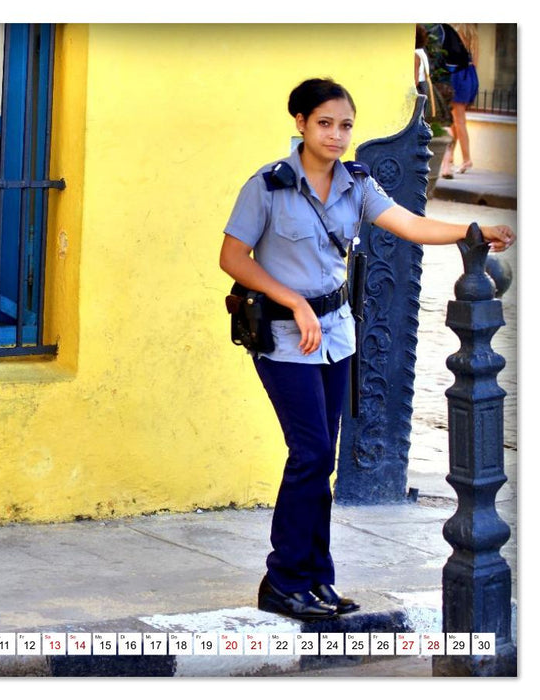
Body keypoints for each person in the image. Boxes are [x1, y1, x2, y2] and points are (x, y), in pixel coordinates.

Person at [219, 78, 514, 621]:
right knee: (309, 455)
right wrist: (294, 301)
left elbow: (409, 223)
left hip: (335, 337)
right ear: (301, 123)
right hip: (284, 337)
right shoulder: (267, 185)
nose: (336, 135)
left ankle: (316, 579)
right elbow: (233, 258)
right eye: (325, 123)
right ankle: (282, 580)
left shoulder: (358, 183)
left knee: (321, 463)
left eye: (346, 125)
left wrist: (474, 228)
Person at [438, 23, 479, 178]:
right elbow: (475, 61)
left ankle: (466, 159)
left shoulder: (456, 31)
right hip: (469, 75)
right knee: (456, 121)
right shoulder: (473, 34)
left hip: (458, 75)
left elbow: (453, 57)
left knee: (458, 121)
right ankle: (451, 158)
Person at [414, 25, 436, 121]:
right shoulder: (422, 52)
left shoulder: (415, 55)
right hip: (425, 87)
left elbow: (415, 80)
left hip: (419, 90)